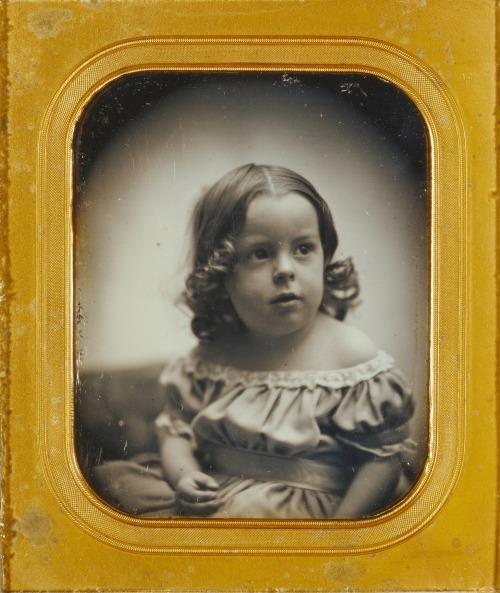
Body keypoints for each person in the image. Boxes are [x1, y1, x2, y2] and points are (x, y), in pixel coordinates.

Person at [92, 163, 416, 519]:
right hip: (217, 497)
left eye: (304, 248)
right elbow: (176, 433)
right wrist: (185, 477)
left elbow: (382, 461)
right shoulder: (211, 356)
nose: (285, 269)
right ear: (220, 273)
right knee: (111, 484)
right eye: (260, 253)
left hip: (308, 514)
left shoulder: (349, 356)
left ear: (325, 255)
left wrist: (340, 533)